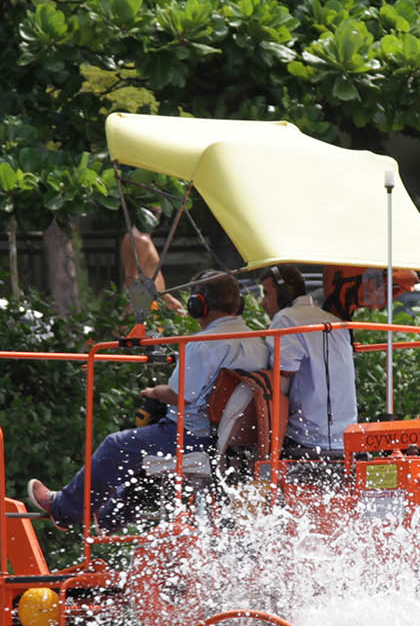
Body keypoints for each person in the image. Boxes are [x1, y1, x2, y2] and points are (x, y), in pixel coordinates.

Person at [27, 272, 266, 527]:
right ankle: (109, 517)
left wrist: (154, 392)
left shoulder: (202, 344)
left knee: (116, 446)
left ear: (198, 305)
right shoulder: (258, 342)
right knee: (142, 455)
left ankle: (64, 510)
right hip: (234, 442)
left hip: (194, 436)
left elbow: (179, 396)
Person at [264, 265, 356, 456]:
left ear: (284, 294)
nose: (262, 303)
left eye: (266, 294)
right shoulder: (334, 320)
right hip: (345, 437)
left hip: (308, 437)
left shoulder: (285, 319)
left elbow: (283, 374)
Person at [119, 210, 171, 316]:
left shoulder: (143, 237)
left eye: (158, 213)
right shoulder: (139, 239)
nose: (156, 217)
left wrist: (167, 298)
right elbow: (132, 280)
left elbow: (150, 273)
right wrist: (133, 317)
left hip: (153, 303)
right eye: (153, 212)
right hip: (144, 306)